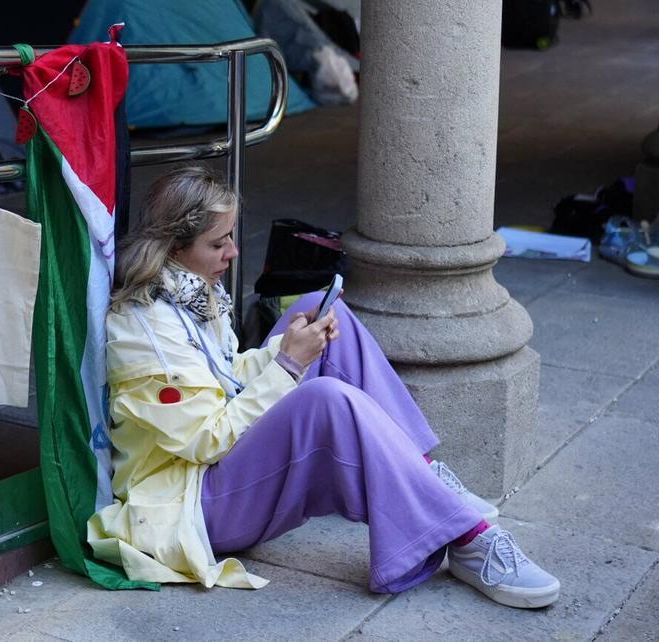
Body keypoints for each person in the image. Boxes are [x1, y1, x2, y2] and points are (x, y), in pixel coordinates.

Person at [87, 166, 560, 608]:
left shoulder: (187, 291)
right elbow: (203, 441)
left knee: (321, 311)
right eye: (219, 243)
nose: (232, 253)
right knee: (325, 398)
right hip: (191, 506)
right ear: (174, 246)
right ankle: (465, 538)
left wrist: (286, 350)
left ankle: (426, 475)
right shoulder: (144, 332)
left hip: (218, 473)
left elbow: (224, 375)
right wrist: (289, 365)